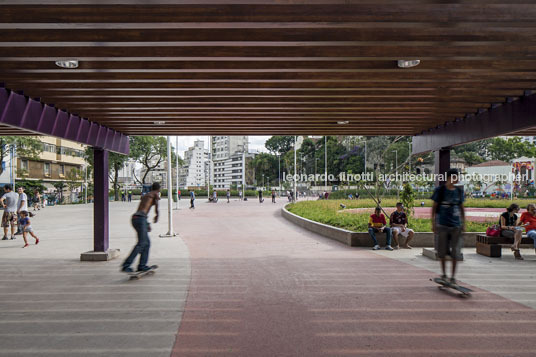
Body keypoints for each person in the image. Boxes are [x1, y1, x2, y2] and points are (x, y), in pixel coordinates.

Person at [431, 169, 465, 287]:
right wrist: (433, 223)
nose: (457, 179)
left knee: (455, 252)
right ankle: (444, 275)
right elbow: (434, 208)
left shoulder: (459, 191)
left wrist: (463, 223)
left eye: (458, 177)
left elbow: (461, 207)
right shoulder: (440, 191)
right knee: (442, 252)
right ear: (449, 177)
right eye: (455, 177)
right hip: (443, 225)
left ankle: (453, 277)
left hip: (456, 225)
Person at [121, 182, 160, 273]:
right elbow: (156, 207)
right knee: (142, 243)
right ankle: (126, 265)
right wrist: (157, 215)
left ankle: (142, 265)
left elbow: (143, 209)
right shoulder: (154, 194)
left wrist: (146, 224)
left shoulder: (146, 195)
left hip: (137, 218)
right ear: (158, 189)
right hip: (140, 219)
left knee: (146, 243)